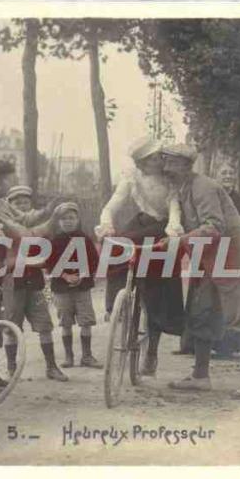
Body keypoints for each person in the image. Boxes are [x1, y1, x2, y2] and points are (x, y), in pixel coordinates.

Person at [161, 143, 240, 399]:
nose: (166, 169)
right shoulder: (183, 189)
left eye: (171, 164)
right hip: (209, 257)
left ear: (186, 165)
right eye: (165, 163)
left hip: (233, 256)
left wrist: (182, 240)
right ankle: (200, 376)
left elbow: (214, 227)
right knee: (201, 312)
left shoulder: (203, 187)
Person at [96, 136, 187, 376]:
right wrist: (106, 224)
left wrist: (173, 229)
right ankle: (115, 302)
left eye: (159, 156)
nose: (159, 160)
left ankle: (152, 351)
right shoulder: (132, 178)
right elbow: (113, 204)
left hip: (163, 227)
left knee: (157, 287)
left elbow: (174, 208)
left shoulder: (171, 181)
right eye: (153, 158)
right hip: (143, 223)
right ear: (142, 164)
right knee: (118, 246)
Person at [4, 185, 69, 382]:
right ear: (10, 206)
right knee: (11, 327)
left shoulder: (38, 228)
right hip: (13, 283)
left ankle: (51, 366)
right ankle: (11, 368)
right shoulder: (5, 226)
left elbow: (46, 245)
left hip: (34, 283)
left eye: (25, 202)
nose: (22, 206)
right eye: (17, 203)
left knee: (45, 325)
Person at [47, 202, 102, 369]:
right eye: (64, 219)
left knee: (86, 321)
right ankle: (68, 356)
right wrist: (64, 275)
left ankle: (86, 355)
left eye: (71, 218)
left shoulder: (84, 239)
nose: (68, 222)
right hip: (61, 289)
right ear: (58, 221)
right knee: (65, 322)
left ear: (78, 219)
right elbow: (49, 263)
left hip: (82, 287)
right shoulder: (54, 241)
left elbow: (94, 261)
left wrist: (81, 275)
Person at [212, 161, 240, 360]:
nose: (227, 176)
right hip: (211, 249)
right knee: (207, 297)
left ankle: (228, 346)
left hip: (232, 250)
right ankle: (198, 343)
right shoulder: (210, 196)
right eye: (224, 172)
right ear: (216, 176)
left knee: (231, 299)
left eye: (231, 172)